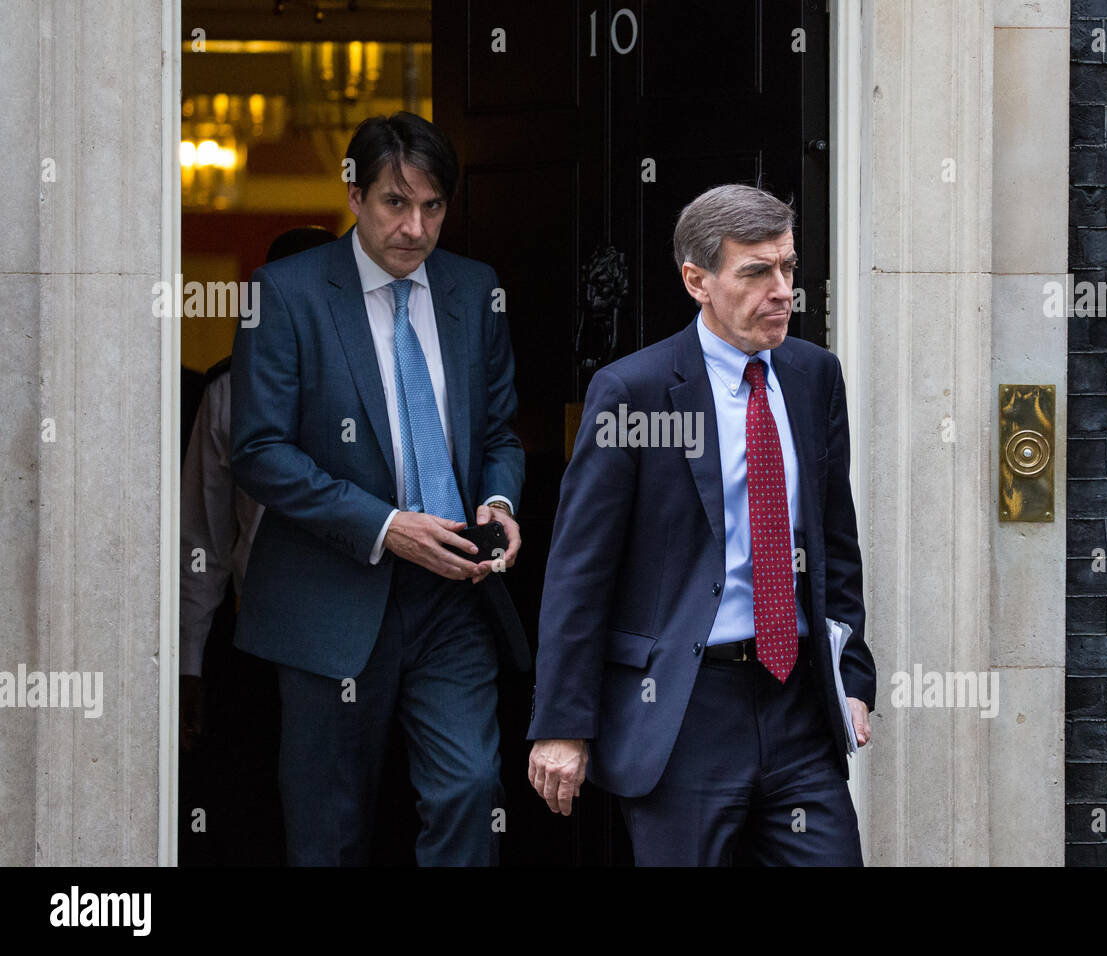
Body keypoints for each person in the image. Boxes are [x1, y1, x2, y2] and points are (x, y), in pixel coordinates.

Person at [526, 184, 875, 866]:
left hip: (798, 703)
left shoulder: (813, 376)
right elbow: (579, 569)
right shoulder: (635, 391)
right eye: (756, 272)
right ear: (697, 281)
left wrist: (852, 675)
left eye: (788, 268)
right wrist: (562, 725)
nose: (782, 292)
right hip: (685, 707)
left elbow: (835, 541)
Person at [230, 112, 528, 866]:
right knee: (329, 828)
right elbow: (259, 450)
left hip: (453, 597)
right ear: (355, 196)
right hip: (329, 598)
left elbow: (498, 433)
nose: (415, 227)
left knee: (469, 788)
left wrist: (498, 502)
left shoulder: (474, 289)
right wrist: (387, 525)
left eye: (432, 206)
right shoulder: (285, 293)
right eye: (396, 202)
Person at [178, 226, 335, 866]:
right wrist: (190, 665)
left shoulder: (387, 385)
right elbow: (204, 542)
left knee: (343, 809)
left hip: (358, 639)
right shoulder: (227, 391)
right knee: (251, 809)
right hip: (257, 640)